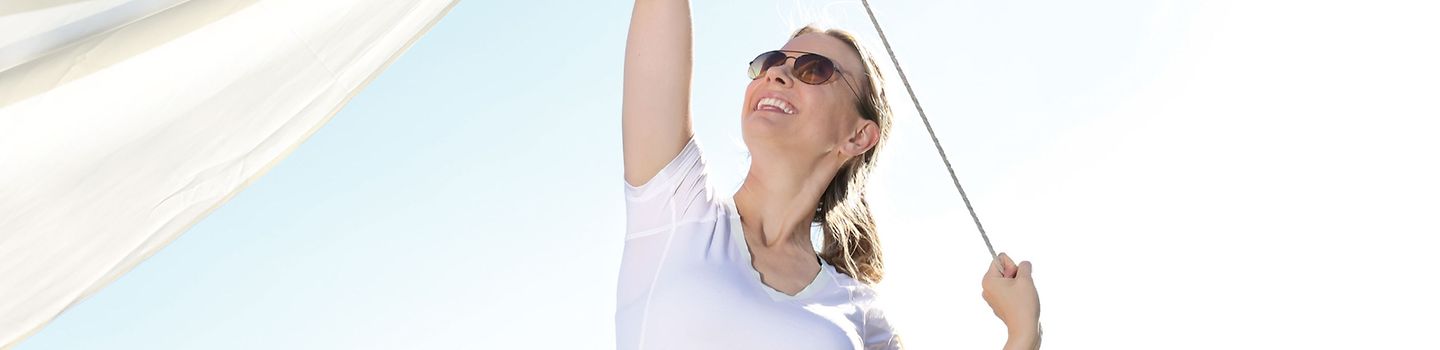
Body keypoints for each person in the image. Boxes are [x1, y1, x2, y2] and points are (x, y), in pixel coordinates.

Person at [617, 1, 1042, 349]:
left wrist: (1023, 335)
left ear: (858, 136)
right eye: (771, 61)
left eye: (814, 69)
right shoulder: (675, 209)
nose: (776, 73)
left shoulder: (860, 312)